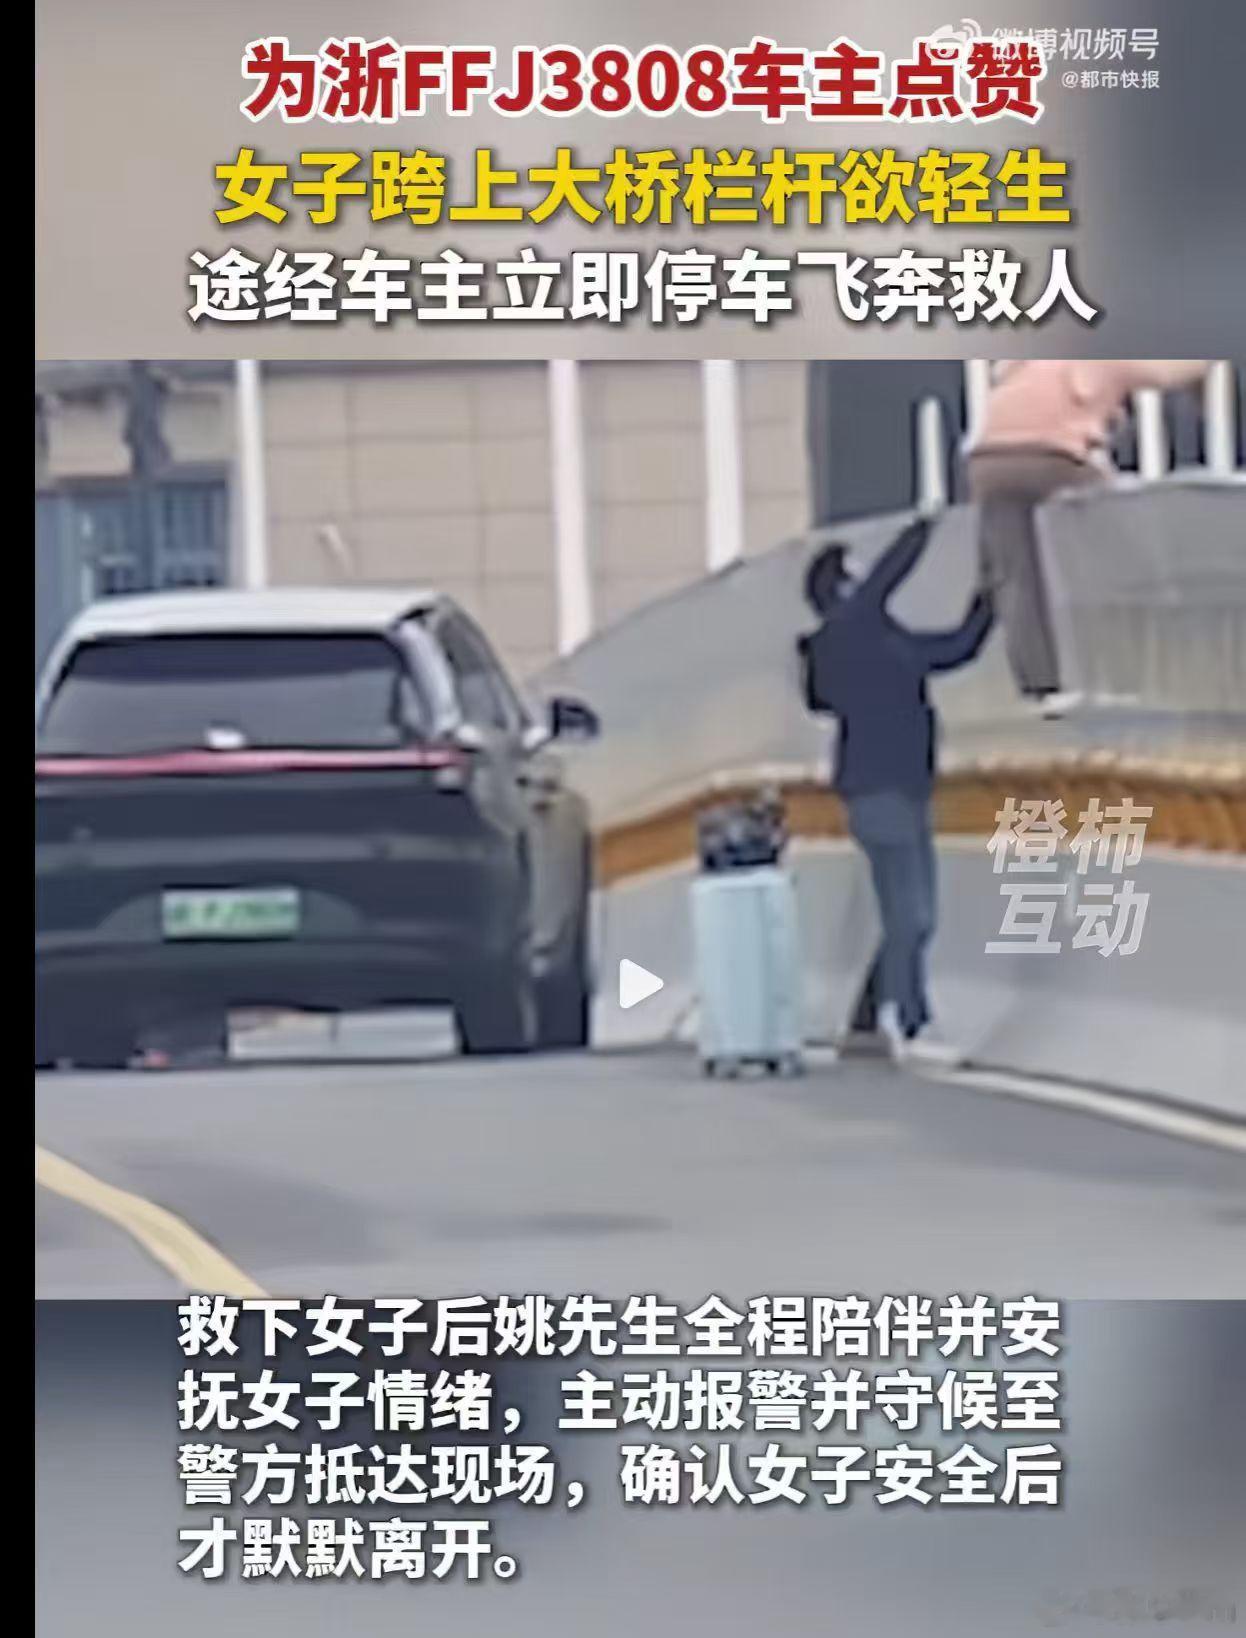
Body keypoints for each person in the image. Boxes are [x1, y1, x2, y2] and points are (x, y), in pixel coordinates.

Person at [798, 512, 993, 1061]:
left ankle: (869, 1017)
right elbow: (885, 580)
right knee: (913, 916)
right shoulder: (844, 637)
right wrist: (925, 526)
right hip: (878, 791)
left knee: (907, 917)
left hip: (904, 789)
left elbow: (953, 650)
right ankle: (911, 1021)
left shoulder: (882, 639)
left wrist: (988, 604)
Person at [965, 360, 1208, 713]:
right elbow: (1165, 373)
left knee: (1016, 579)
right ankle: (1152, 598)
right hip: (1050, 455)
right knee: (1109, 502)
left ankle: (1040, 689)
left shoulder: (1024, 364)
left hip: (986, 464)